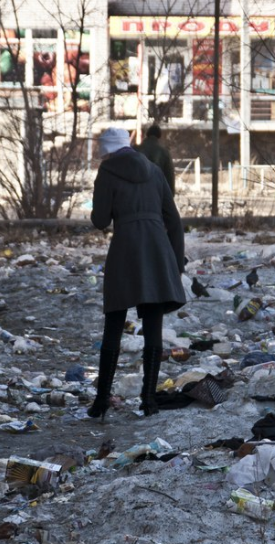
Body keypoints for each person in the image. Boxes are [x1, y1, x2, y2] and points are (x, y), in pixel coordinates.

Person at [88, 127, 186, 419]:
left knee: (114, 325)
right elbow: (174, 220)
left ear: (107, 150)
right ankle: (149, 401)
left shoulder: (107, 172)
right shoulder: (154, 171)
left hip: (125, 250)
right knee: (153, 327)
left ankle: (101, 401)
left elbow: (100, 220)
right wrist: (176, 264)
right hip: (157, 250)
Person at [137, 125, 176, 195]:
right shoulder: (164, 152)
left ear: (147, 135)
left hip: (137, 191)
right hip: (156, 192)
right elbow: (169, 174)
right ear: (159, 136)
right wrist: (170, 194)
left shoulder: (135, 149)